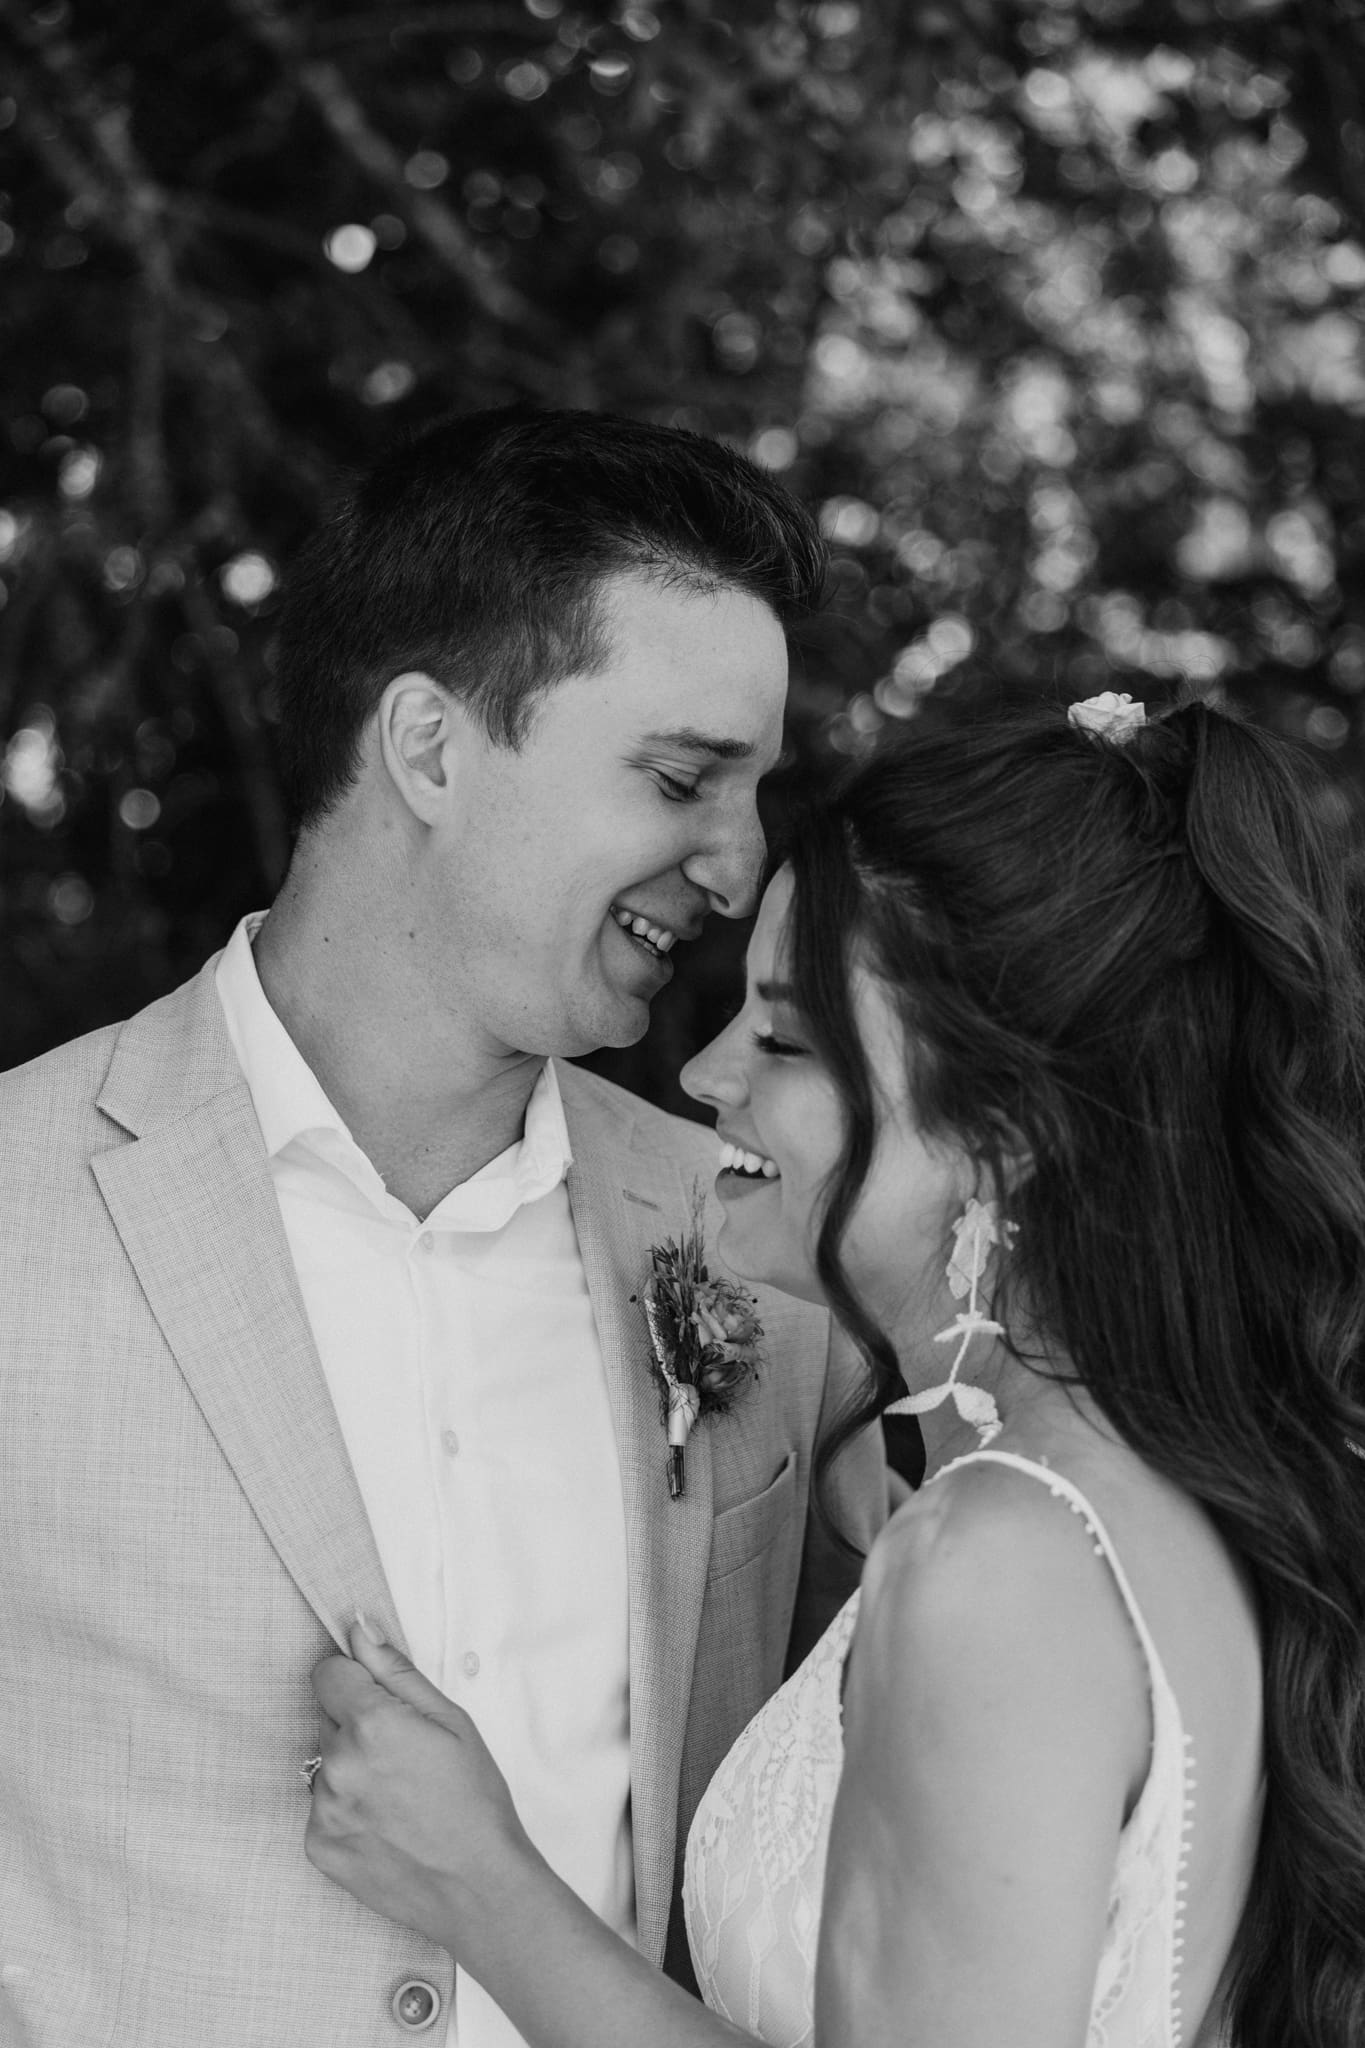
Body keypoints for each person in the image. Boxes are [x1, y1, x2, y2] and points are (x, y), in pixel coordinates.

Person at [0, 406, 887, 2048]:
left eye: (754, 793)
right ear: (426, 746)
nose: (738, 861)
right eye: (683, 776)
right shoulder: (14, 1207)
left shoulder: (769, 1246)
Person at [303, 692, 1365, 2048]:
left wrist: (482, 1889)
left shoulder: (998, 1564)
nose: (701, 1073)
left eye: (787, 1041)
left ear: (1006, 1130)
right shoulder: (1153, 1494)